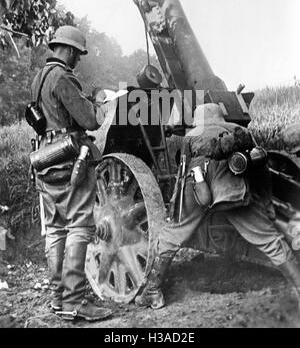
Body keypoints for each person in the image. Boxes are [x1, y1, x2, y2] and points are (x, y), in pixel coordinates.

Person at [135, 103, 300, 310]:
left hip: (198, 187)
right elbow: (261, 172)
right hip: (233, 188)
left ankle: (152, 292)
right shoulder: (241, 133)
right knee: (269, 240)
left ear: (198, 121)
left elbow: (182, 173)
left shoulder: (190, 137)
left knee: (172, 234)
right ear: (222, 118)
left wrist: (176, 209)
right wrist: (266, 206)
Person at [31, 25, 112, 322]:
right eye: (77, 54)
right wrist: (100, 103)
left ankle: (57, 298)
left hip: (45, 158)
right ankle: (75, 302)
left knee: (54, 229)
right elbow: (89, 121)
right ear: (68, 50)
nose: (78, 59)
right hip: (69, 159)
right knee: (79, 226)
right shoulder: (63, 77)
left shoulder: (38, 79)